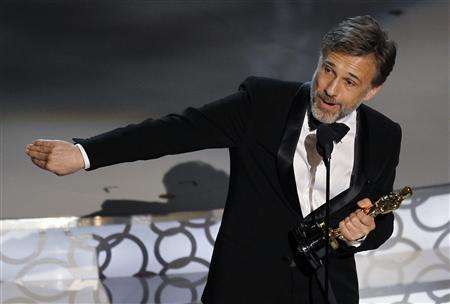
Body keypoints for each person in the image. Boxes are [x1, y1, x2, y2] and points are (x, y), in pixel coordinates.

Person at [25, 15, 400, 304]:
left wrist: (362, 233)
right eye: (327, 70)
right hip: (243, 290)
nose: (330, 90)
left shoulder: (384, 136)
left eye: (350, 81)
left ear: (373, 89)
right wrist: (84, 153)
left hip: (328, 294)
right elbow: (173, 130)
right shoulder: (263, 104)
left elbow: (379, 217)